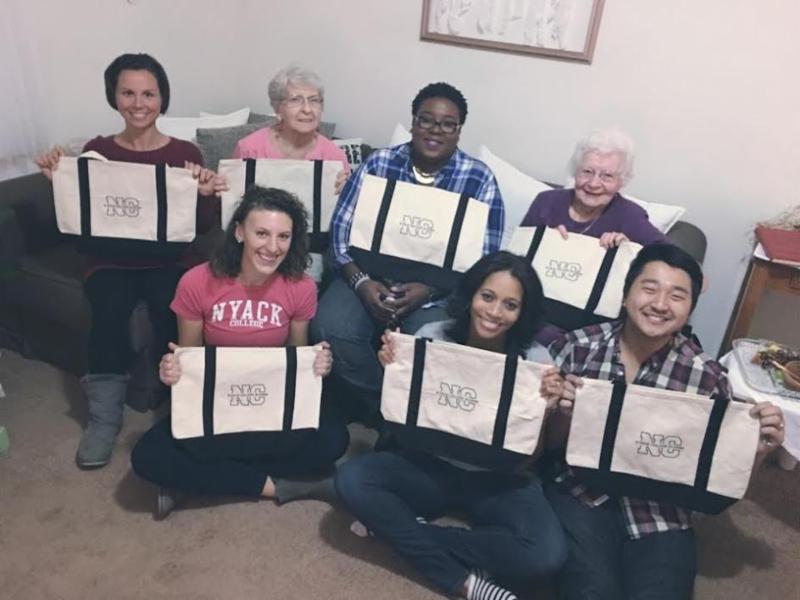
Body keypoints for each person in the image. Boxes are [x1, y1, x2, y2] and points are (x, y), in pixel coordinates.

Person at [540, 243, 785, 600]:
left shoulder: (707, 378)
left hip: (662, 510)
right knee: (591, 589)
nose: (659, 304)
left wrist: (758, 450)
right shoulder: (577, 347)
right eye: (649, 288)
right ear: (626, 295)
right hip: (580, 492)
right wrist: (564, 415)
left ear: (690, 310)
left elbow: (720, 481)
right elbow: (546, 448)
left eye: (677, 295)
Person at [335, 251, 567, 600]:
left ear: (523, 312)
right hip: (431, 465)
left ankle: (400, 532)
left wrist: (548, 410)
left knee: (547, 554)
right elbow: (402, 425)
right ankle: (466, 584)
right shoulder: (433, 337)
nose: (494, 312)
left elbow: (532, 456)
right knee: (352, 479)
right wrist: (393, 371)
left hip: (500, 479)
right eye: (487, 296)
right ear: (472, 294)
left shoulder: (536, 362)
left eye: (510, 305)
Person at [34, 53, 223, 469]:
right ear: (114, 97)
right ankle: (104, 418)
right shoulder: (97, 151)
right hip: (110, 261)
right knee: (109, 311)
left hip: (170, 259)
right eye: (128, 93)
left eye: (149, 94)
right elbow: (81, 222)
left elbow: (201, 228)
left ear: (162, 98)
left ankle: (180, 407)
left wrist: (206, 195)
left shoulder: (184, 152)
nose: (139, 103)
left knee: (172, 309)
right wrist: (59, 181)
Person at [130, 186, 349, 519]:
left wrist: (317, 364)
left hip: (270, 402)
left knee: (335, 439)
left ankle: (199, 479)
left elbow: (296, 358)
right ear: (239, 232)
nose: (272, 247)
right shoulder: (196, 281)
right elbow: (191, 358)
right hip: (217, 403)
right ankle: (281, 486)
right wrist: (173, 370)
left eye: (283, 236)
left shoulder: (302, 287)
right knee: (146, 456)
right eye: (262, 233)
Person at [311, 81, 505, 421]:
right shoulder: (379, 164)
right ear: (414, 123)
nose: (436, 130)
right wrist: (360, 282)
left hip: (438, 292)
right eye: (426, 120)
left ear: (459, 131)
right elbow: (341, 233)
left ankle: (406, 418)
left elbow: (484, 259)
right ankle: (385, 412)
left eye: (448, 124)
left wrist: (431, 290)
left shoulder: (479, 179)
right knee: (330, 327)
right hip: (366, 277)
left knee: (434, 348)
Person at [520, 128, 667, 248]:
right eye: (587, 172)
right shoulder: (546, 202)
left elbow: (672, 258)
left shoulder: (630, 216)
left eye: (607, 176)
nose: (593, 184)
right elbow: (517, 255)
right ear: (575, 172)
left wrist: (630, 250)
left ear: (621, 181)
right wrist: (544, 240)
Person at [233, 64, 349, 192]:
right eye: (295, 100)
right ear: (278, 109)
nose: (307, 109)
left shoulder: (334, 157)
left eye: (314, 100)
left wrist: (349, 192)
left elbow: (346, 202)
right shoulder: (249, 149)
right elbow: (234, 200)